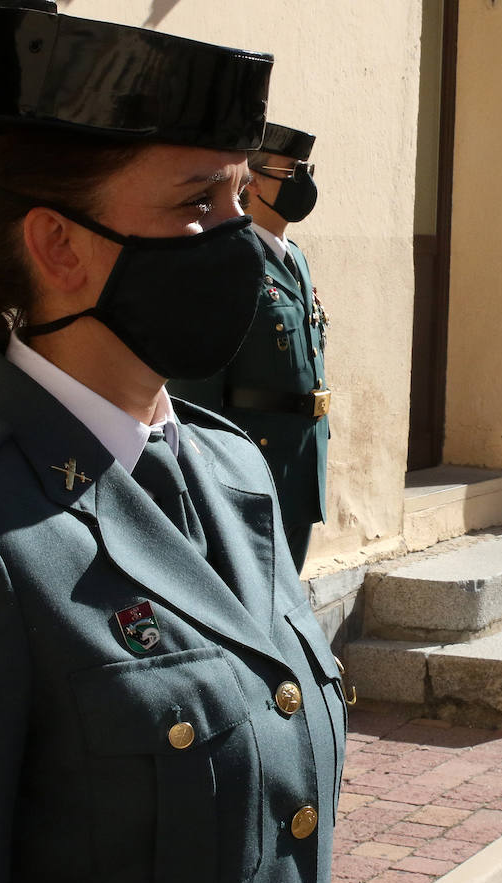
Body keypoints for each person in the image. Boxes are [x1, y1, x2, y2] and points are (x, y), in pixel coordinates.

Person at [0, 2, 347, 883]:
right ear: (60, 246)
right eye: (197, 204)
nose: (242, 238)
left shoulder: (230, 469)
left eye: (239, 198)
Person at [169, 123, 330, 568]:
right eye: (292, 171)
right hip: (250, 466)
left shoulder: (293, 256)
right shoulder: (226, 260)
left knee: (287, 601)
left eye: (307, 170)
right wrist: (206, 474)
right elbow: (197, 386)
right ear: (253, 182)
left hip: (301, 464)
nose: (304, 183)